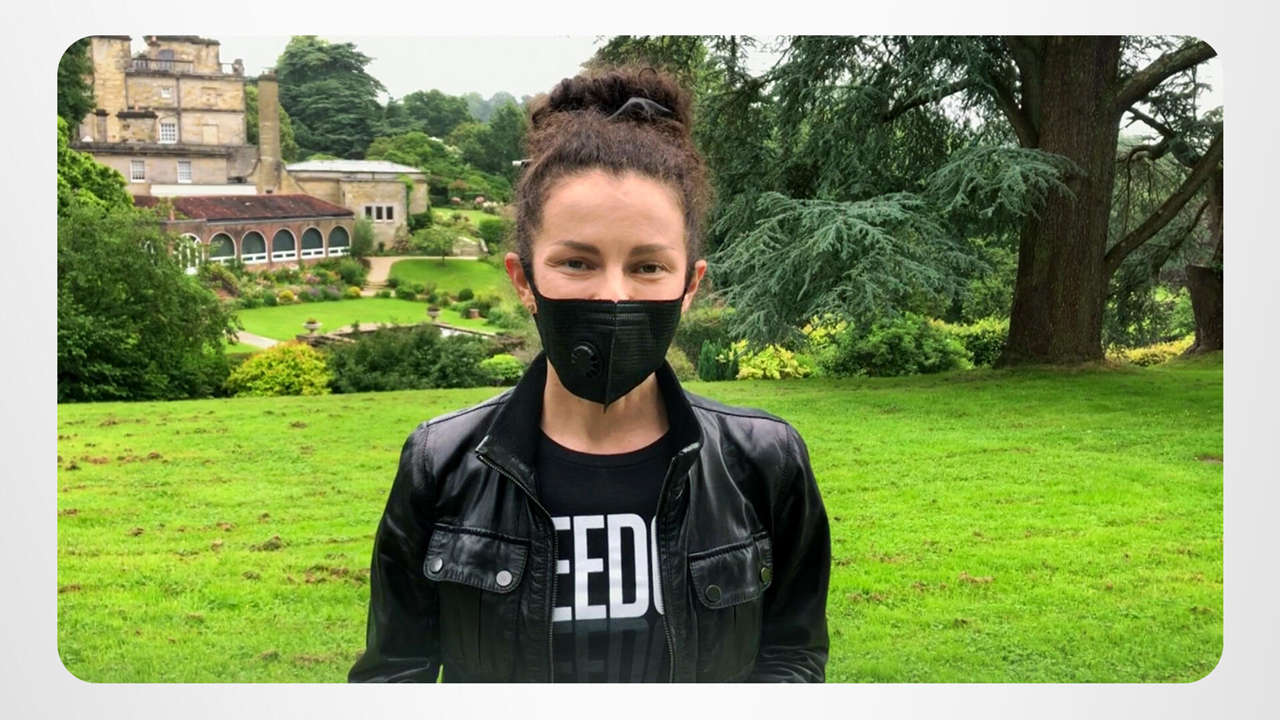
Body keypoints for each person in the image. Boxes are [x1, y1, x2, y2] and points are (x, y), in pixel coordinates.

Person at [348, 66, 830, 683]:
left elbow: (791, 656)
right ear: (524, 280)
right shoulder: (439, 464)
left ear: (690, 286)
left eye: (648, 267)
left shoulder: (764, 463)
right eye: (577, 262)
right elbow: (394, 674)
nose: (613, 295)